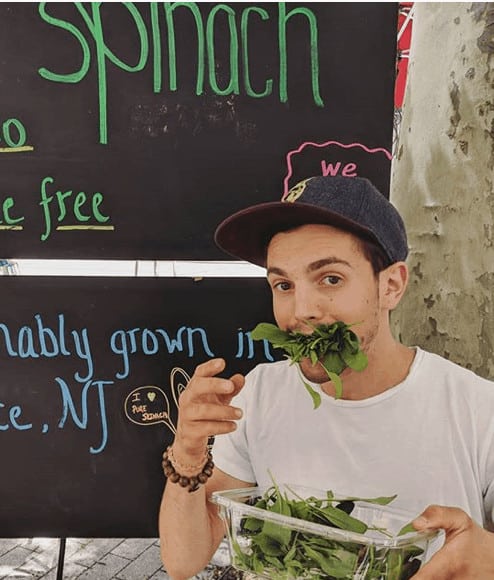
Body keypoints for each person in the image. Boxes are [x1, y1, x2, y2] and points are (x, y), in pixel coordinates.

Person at [159, 175, 494, 580]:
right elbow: (183, 562)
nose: (302, 310)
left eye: (330, 279)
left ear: (391, 285)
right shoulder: (259, 394)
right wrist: (188, 453)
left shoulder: (478, 410)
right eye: (283, 284)